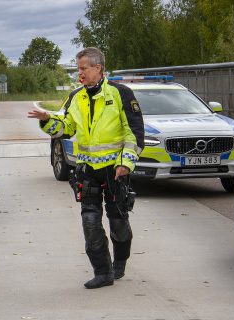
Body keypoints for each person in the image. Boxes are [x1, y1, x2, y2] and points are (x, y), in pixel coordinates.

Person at [28, 47, 144, 289]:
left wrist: (125, 163)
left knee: (118, 221)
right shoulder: (75, 97)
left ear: (98, 68)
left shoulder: (121, 93)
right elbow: (66, 128)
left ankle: (119, 261)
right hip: (87, 170)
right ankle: (103, 272)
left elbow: (135, 135)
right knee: (90, 223)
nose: (79, 74)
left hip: (116, 170)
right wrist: (46, 120)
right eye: (78, 69)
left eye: (83, 69)